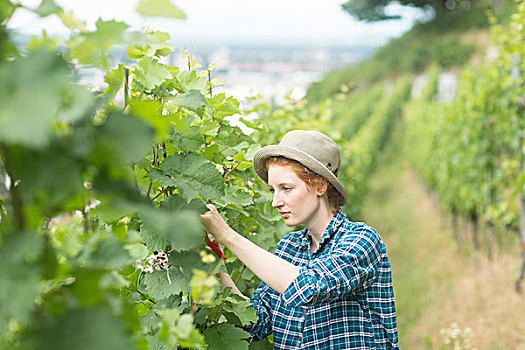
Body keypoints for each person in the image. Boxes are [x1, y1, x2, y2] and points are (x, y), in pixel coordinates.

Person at [200, 130, 399, 349]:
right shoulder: (288, 248)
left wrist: (227, 235)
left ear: (320, 186)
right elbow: (258, 322)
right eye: (273, 190)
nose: (276, 201)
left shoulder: (361, 241)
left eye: (286, 188)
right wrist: (216, 265)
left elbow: (307, 287)